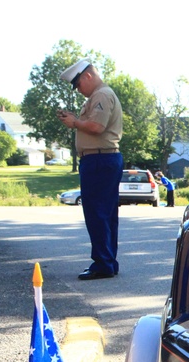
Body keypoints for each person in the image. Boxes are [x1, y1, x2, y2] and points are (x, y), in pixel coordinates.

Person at [57, 58, 123, 280]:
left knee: (97, 213)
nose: (78, 90)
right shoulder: (100, 95)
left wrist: (75, 122)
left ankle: (103, 263)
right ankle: (107, 261)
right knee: (105, 213)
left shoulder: (101, 95)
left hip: (99, 160)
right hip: (102, 159)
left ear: (87, 76)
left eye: (78, 84)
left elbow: (96, 126)